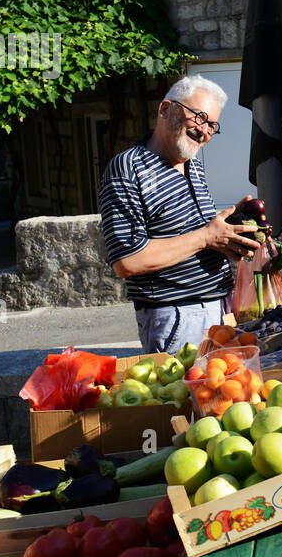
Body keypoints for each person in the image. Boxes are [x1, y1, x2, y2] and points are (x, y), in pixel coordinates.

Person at [99, 75, 260, 354]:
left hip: (220, 309)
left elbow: (199, 237)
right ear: (165, 109)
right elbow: (126, 261)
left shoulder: (192, 166)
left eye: (212, 125)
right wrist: (207, 236)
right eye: (199, 117)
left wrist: (232, 232)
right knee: (194, 397)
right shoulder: (127, 168)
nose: (205, 131)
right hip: (179, 317)